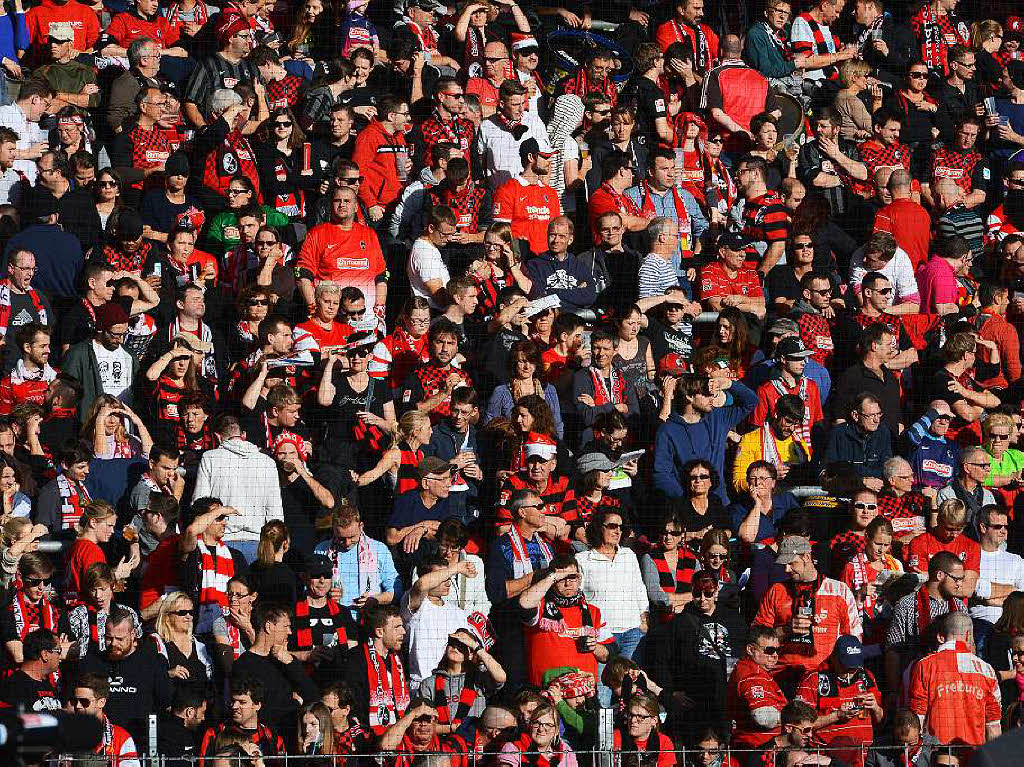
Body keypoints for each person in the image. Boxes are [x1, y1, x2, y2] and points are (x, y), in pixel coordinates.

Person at [755, 536, 862, 677]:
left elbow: (853, 639)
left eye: (791, 563)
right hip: (782, 674)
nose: (786, 569)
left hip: (824, 675)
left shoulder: (839, 590)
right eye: (784, 564)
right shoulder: (777, 590)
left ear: (806, 557)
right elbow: (756, 638)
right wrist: (786, 630)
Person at [192, 413, 282, 564]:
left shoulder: (210, 457)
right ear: (243, 435)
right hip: (258, 542)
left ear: (218, 436)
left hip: (221, 541)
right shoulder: (268, 462)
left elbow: (200, 504)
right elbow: (275, 511)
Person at [654, 375, 756, 505]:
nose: (711, 399)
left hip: (719, 502)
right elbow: (662, 475)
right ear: (689, 397)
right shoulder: (668, 430)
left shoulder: (719, 418)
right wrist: (686, 499)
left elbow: (751, 401)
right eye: (706, 395)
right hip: (688, 505)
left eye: (712, 394)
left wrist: (729, 384)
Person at [79, 605, 172, 747]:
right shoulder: (91, 662)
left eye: (120, 638)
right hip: (100, 742)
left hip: (139, 742)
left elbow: (164, 701)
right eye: (109, 638)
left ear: (133, 634)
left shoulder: (152, 662)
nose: (114, 643)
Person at [517, 553, 614, 687]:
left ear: (579, 579)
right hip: (548, 691)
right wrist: (552, 577)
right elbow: (524, 602)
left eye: (572, 577)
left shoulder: (593, 611)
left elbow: (609, 653)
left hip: (583, 692)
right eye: (562, 579)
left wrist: (595, 647)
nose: (567, 583)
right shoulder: (541, 607)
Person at [908, 611, 1002, 746]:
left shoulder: (925, 665)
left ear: (941, 637)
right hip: (974, 754)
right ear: (969, 635)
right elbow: (993, 725)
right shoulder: (987, 670)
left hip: (937, 753)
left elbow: (917, 716)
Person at [727, 625, 787, 748]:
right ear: (751, 649)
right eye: (770, 650)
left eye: (778, 650)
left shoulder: (752, 670)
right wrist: (795, 718)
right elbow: (764, 717)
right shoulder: (753, 674)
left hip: (757, 745)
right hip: (757, 747)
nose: (775, 655)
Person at [69, 672, 142, 767]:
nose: (77, 706)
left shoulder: (121, 737)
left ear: (101, 702)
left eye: (84, 702)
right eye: (74, 701)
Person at [0, 627, 63, 711]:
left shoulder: (47, 686)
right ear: (45, 654)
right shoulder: (13, 688)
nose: (60, 657)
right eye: (59, 651)